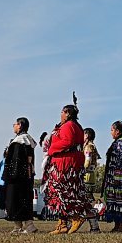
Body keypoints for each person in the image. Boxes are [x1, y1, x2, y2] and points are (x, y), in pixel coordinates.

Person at [45, 98, 93, 234]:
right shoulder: (76, 126)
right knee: (68, 191)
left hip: (65, 163)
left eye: (62, 112)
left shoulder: (68, 126)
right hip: (71, 161)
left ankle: (75, 218)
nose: (60, 114)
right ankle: (62, 224)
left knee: (62, 191)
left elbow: (67, 141)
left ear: (67, 113)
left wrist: (51, 149)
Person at [2, 117, 38, 233]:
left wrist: (11, 176)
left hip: (17, 177)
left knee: (16, 200)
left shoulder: (19, 142)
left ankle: (26, 226)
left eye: (15, 124)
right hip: (27, 176)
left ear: (20, 126)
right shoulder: (27, 141)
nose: (14, 126)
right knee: (25, 200)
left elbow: (15, 161)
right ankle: (21, 226)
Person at [101, 121, 122, 232]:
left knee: (120, 202)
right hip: (119, 178)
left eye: (112, 130)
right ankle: (117, 225)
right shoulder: (121, 142)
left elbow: (120, 161)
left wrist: (117, 177)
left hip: (120, 179)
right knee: (115, 202)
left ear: (117, 131)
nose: (111, 132)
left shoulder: (121, 143)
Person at [83, 127, 101, 232]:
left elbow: (88, 160)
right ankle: (94, 226)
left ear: (87, 135)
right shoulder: (92, 146)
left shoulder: (89, 147)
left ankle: (94, 227)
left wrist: (81, 169)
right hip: (91, 176)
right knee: (86, 202)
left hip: (87, 176)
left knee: (85, 202)